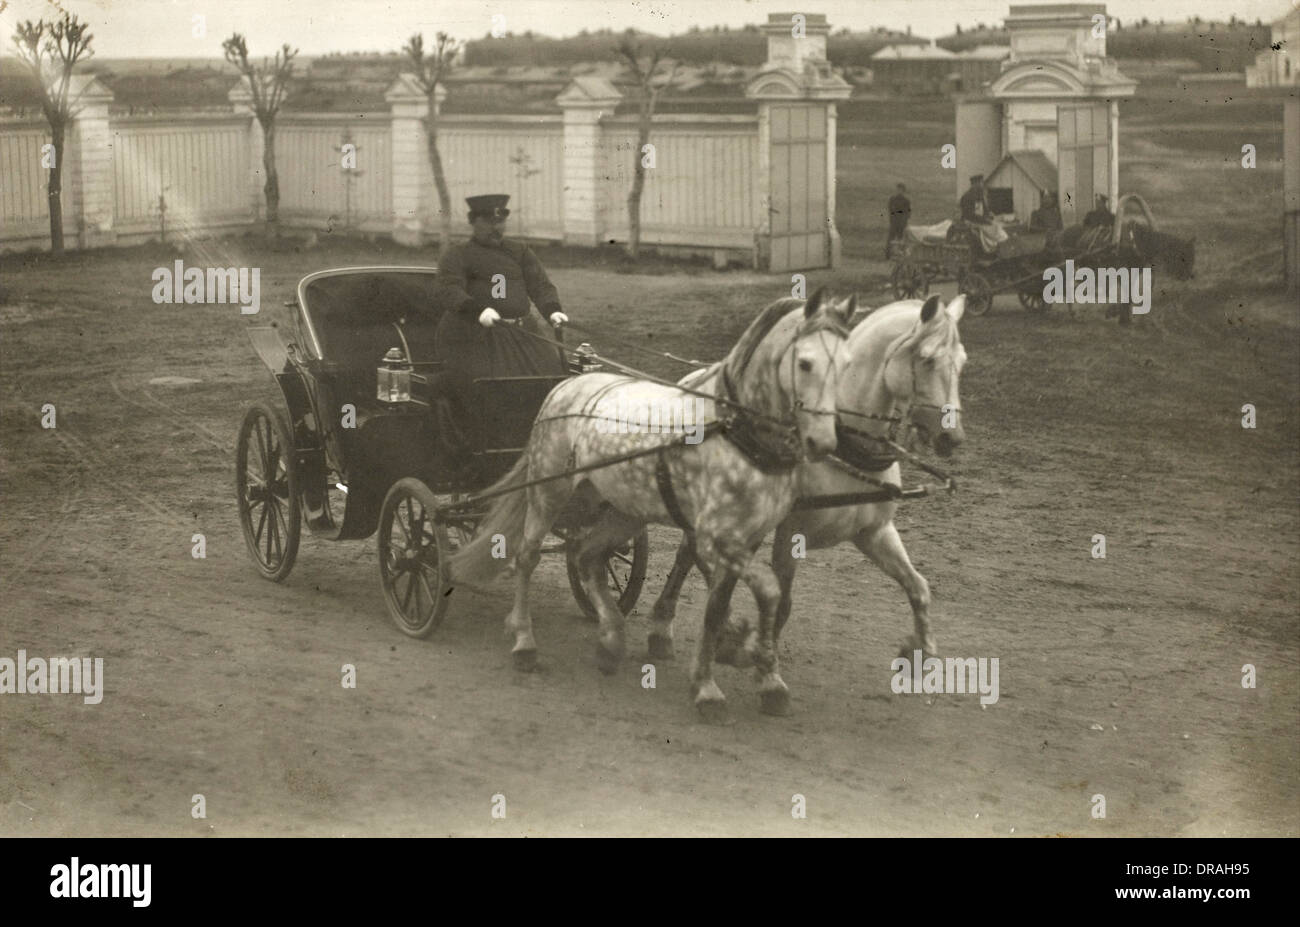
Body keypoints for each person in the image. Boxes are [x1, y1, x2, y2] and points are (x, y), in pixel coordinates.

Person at [432, 193, 569, 390]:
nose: (496, 228)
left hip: (523, 332)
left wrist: (552, 310)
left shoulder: (519, 251)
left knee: (550, 378)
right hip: (475, 335)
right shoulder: (457, 254)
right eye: (488, 222)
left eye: (500, 222)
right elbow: (448, 289)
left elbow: (540, 285)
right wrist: (478, 311)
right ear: (473, 222)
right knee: (492, 387)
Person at [886, 183, 911, 259]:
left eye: (900, 190)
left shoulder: (906, 200)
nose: (898, 191)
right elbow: (890, 210)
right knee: (891, 238)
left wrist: (904, 221)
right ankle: (888, 255)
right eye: (897, 189)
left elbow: (908, 212)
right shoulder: (892, 199)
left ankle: (901, 256)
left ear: (903, 191)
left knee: (901, 239)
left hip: (902, 222)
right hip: (894, 221)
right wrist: (892, 219)